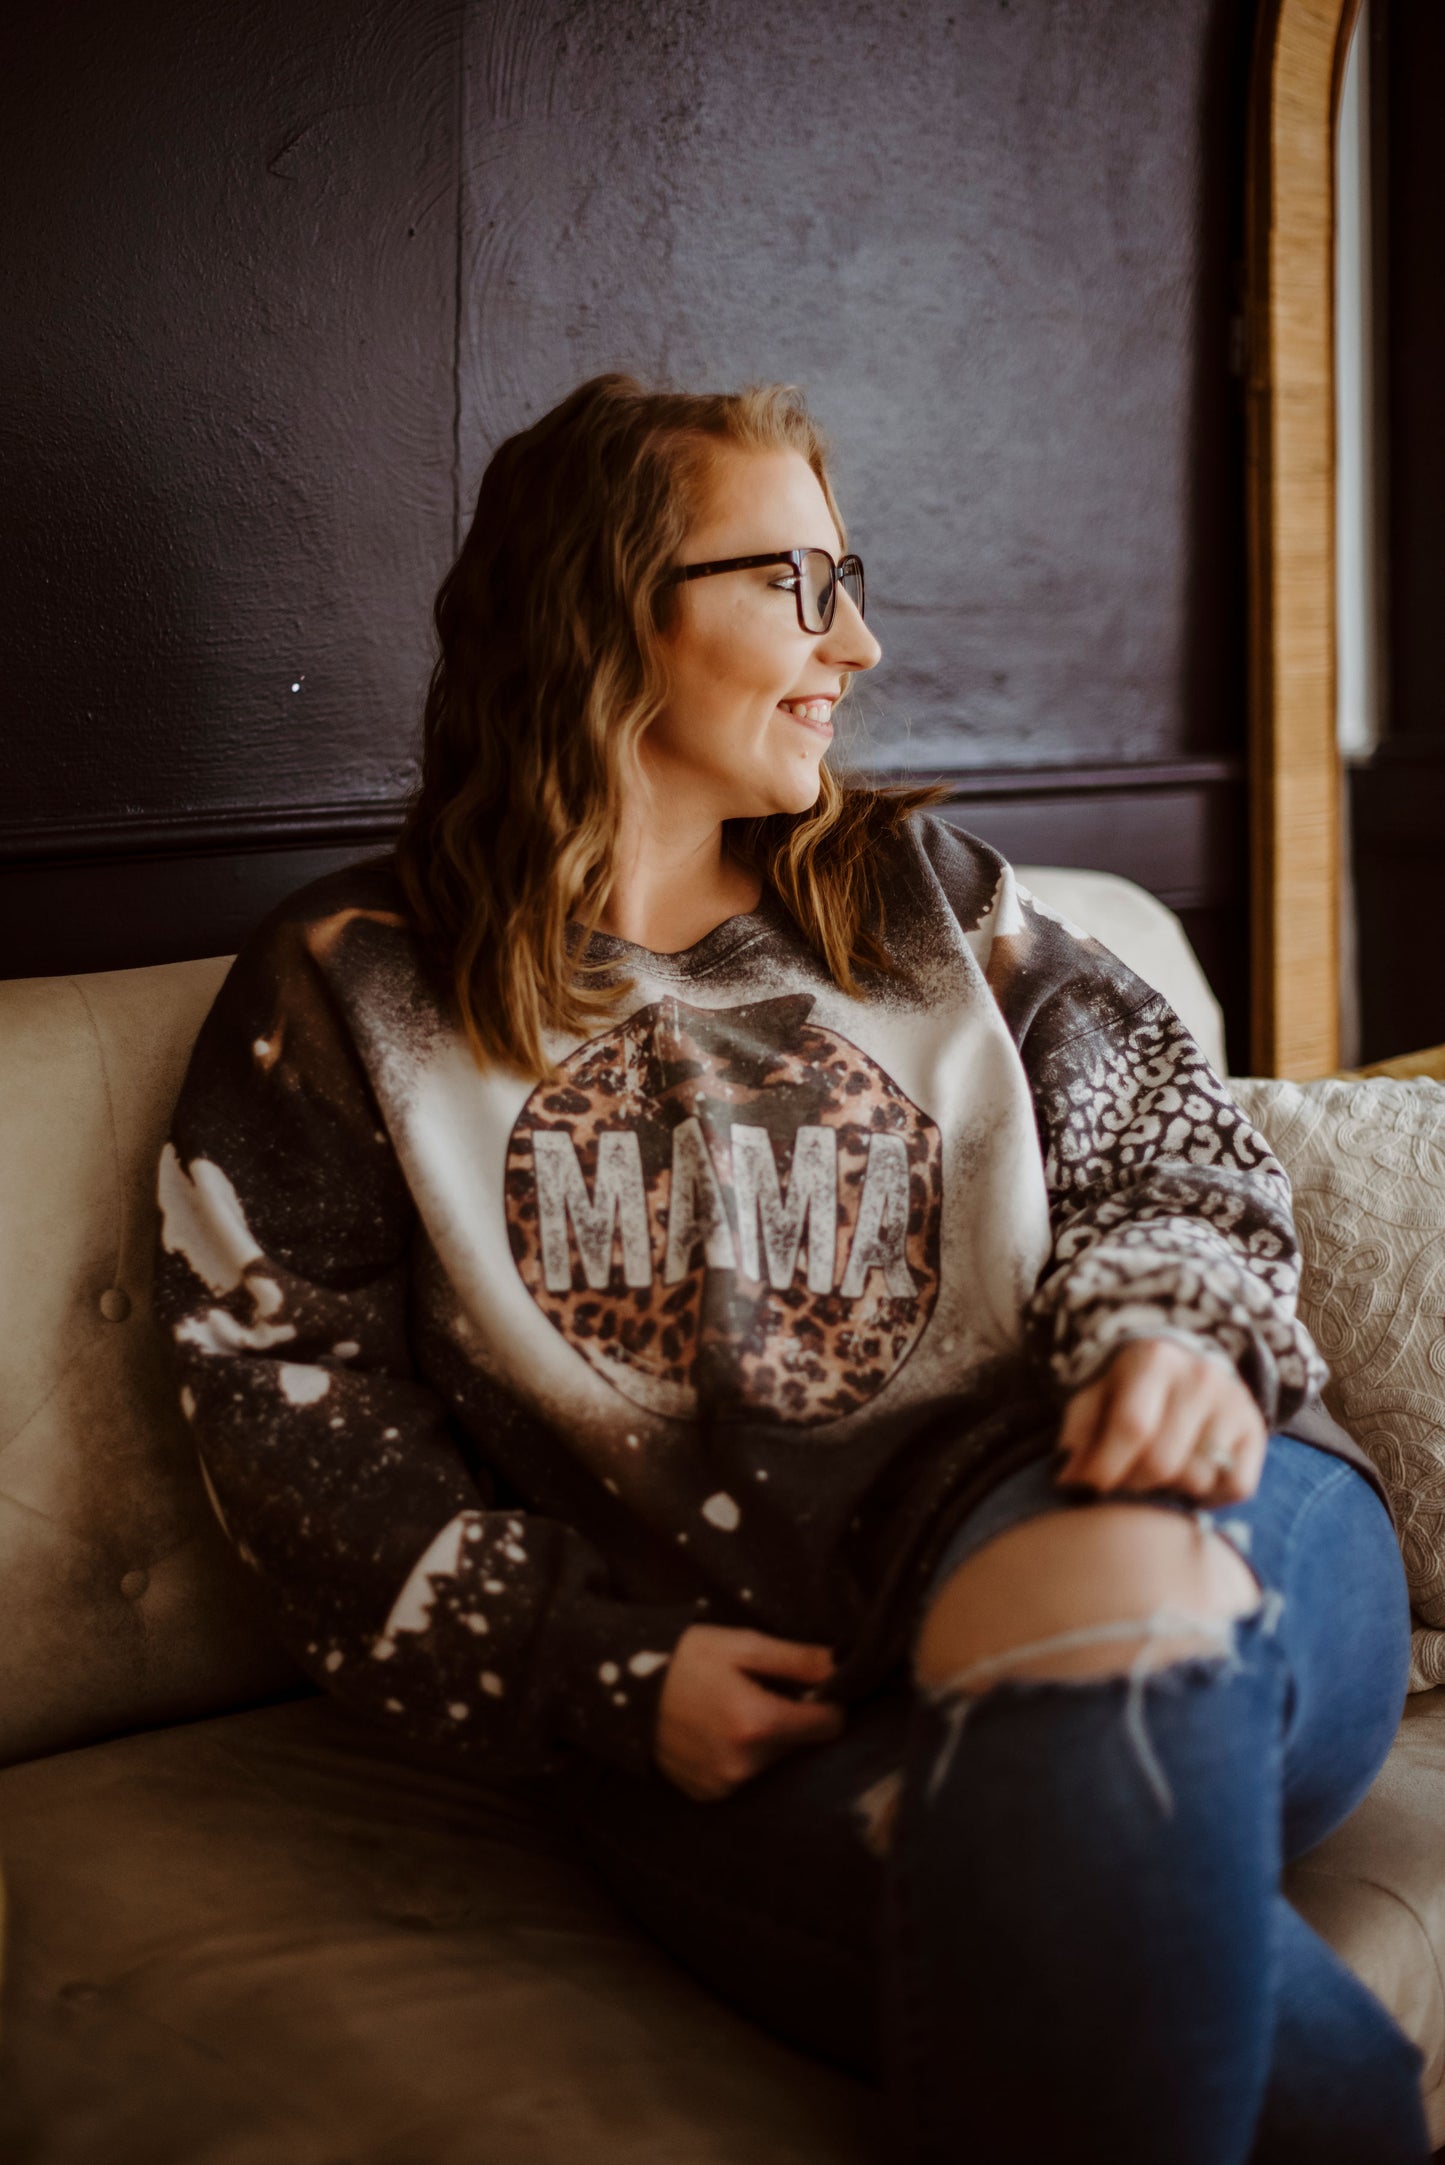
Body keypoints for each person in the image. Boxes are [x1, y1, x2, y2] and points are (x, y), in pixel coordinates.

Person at [152, 373, 1429, 2164]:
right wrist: (586, 1665)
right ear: (607, 613)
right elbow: (291, 1415)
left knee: (1101, 1655)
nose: (863, 643)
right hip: (763, 1692)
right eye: (798, 587)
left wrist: (1172, 1329)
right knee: (1152, 1985)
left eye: (851, 581)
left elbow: (1165, 1133)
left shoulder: (926, 892)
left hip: (1144, 1498)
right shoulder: (347, 986)